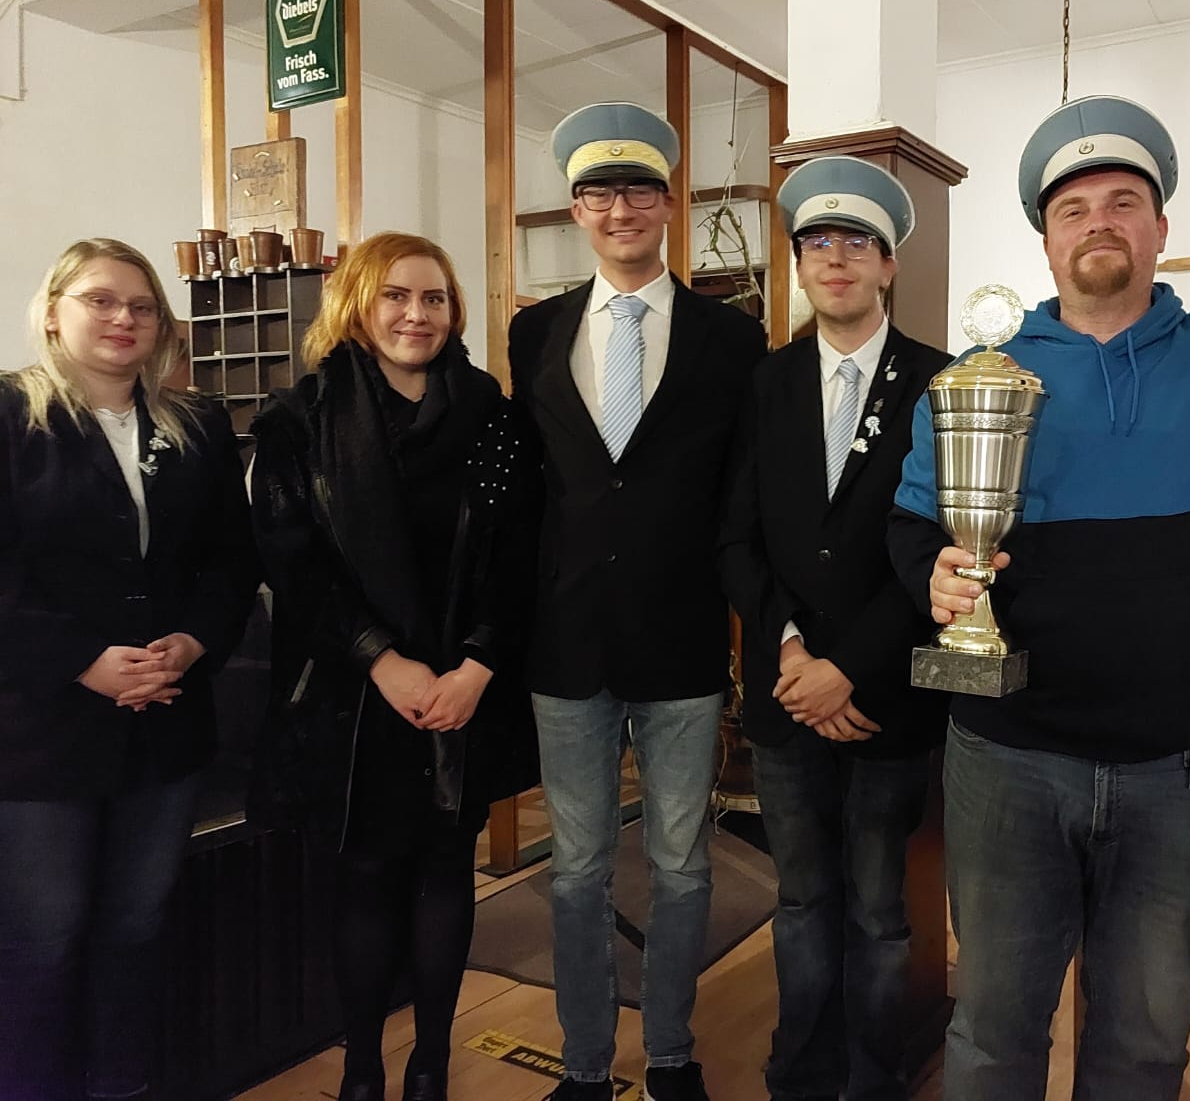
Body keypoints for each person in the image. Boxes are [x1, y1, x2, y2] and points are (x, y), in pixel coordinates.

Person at [886, 96, 1190, 1101]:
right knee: (991, 1030)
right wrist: (932, 575)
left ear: (1160, 228)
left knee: (1145, 1041)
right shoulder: (976, 377)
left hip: (1176, 770)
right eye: (1073, 209)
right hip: (1005, 761)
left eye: (1123, 202)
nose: (1099, 221)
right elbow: (914, 520)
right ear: (1046, 240)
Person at [508, 101, 766, 1101]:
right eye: (598, 193)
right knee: (574, 872)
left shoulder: (729, 339)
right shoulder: (534, 333)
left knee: (683, 867)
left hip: (682, 643)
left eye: (638, 190)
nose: (619, 209)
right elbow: (529, 490)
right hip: (565, 645)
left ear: (668, 202)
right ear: (576, 209)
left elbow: (741, 494)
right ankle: (582, 1064)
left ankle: (669, 1054)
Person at [248, 232, 538, 1101]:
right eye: (396, 296)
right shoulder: (297, 422)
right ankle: (362, 1070)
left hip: (461, 691)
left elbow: (516, 554)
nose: (417, 315)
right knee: (367, 879)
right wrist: (381, 660)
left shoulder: (491, 417)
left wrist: (477, 666)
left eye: (435, 298)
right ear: (358, 306)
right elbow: (295, 565)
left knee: (446, 873)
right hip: (354, 697)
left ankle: (431, 1065)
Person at [0, 238, 258, 1101]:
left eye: (142, 306)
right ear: (53, 312)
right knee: (43, 934)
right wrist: (81, 661)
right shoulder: (9, 416)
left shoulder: (197, 425)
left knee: (137, 925)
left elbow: (230, 561)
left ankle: (121, 1086)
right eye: (101, 300)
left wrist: (194, 641)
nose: (124, 319)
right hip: (39, 732)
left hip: (165, 720)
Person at [718, 156, 950, 1101]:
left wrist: (846, 667)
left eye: (859, 243)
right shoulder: (764, 383)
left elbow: (939, 550)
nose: (837, 258)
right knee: (803, 901)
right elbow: (736, 538)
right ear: (800, 266)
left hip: (887, 698)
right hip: (787, 699)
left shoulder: (938, 382)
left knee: (881, 913)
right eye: (818, 242)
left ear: (888, 264)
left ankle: (874, 1079)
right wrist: (791, 653)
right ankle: (801, 1074)